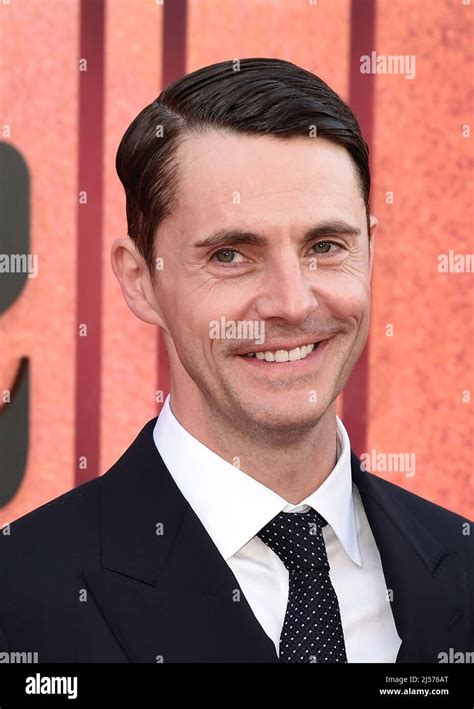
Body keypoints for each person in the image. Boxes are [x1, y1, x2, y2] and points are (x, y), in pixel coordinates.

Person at [0, 58, 472, 663]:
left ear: (371, 252)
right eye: (230, 255)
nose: (293, 303)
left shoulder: (461, 566)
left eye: (326, 247)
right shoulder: (18, 601)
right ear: (140, 279)